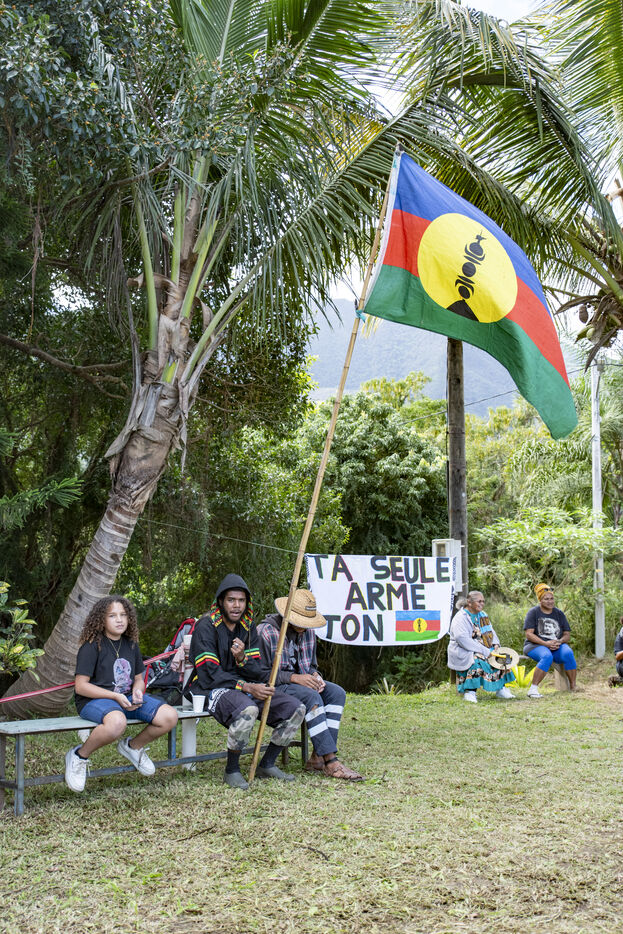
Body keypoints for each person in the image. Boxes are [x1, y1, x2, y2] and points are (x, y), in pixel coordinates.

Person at [190, 573, 305, 790]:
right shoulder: (206, 626)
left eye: (241, 600)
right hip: (211, 689)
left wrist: (242, 659)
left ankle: (267, 764)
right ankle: (232, 770)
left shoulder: (247, 627)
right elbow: (209, 673)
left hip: (245, 687)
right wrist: (246, 686)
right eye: (231, 600)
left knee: (295, 708)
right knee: (247, 709)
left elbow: (257, 670)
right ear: (221, 601)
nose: (237, 606)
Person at [64, 595, 179, 793]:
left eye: (123, 615)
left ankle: (133, 747)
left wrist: (137, 692)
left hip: (125, 699)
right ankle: (79, 756)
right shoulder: (91, 645)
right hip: (93, 701)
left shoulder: (131, 644)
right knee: (117, 722)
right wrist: (115, 697)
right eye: (112, 616)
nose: (119, 620)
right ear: (101, 619)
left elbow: (138, 678)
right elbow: (81, 687)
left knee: (169, 716)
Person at [258, 589, 364, 781]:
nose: (304, 626)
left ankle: (317, 757)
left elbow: (311, 666)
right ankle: (331, 762)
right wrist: (294, 678)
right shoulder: (266, 632)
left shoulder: (308, 632)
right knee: (311, 696)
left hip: (300, 686)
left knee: (336, 693)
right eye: (301, 621)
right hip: (275, 687)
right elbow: (259, 674)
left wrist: (316, 676)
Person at [447, 590, 515, 703]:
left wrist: (496, 644)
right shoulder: (460, 618)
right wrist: (485, 651)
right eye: (479, 601)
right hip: (466, 650)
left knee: (502, 658)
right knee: (477, 660)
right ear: (469, 602)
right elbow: (462, 640)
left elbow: (491, 631)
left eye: (483, 601)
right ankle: (470, 692)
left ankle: (501, 689)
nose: (482, 604)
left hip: (485, 648)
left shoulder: (483, 615)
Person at [523, 583, 578, 698]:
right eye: (546, 599)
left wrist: (560, 641)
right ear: (540, 600)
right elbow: (529, 634)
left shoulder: (559, 613)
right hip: (535, 645)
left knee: (568, 653)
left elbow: (567, 634)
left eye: (551, 598)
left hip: (556, 646)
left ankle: (573, 687)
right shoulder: (533, 612)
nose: (550, 601)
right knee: (546, 656)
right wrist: (545, 643)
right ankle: (533, 689)